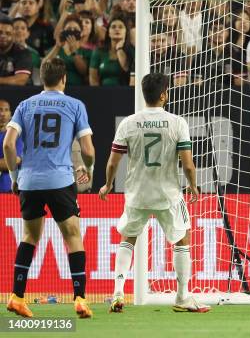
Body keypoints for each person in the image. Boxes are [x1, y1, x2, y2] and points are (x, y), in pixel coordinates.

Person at [98, 72, 210, 314]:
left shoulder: (128, 123)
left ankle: (118, 291)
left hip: (137, 194)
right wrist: (192, 185)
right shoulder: (177, 122)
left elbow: (112, 162)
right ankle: (182, 297)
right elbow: (188, 164)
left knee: (128, 239)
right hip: (167, 195)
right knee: (182, 239)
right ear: (163, 95)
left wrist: (107, 184)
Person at [3, 58, 95, 318]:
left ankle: (16, 296)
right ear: (64, 79)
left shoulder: (25, 105)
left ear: (41, 78)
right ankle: (79, 298)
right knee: (73, 235)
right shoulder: (75, 105)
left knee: (30, 236)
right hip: (60, 180)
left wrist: (14, 176)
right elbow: (87, 150)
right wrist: (89, 169)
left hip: (30, 181)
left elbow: (9, 145)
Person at [89, 17, 134, 86]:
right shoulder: (98, 52)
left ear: (126, 32)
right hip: (102, 93)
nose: (117, 29)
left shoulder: (132, 51)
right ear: (108, 33)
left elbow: (126, 68)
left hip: (125, 92)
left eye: (120, 27)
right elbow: (93, 78)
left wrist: (119, 49)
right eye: (113, 27)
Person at [0, 18, 33, 86]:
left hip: (17, 94)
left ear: (13, 36)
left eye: (8, 33)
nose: (3, 36)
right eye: (0, 32)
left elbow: (20, 80)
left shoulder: (23, 53)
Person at [0, 100, 23, 193]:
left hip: (8, 189)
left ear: (10, 114)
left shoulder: (16, 135)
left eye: (6, 110)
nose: (3, 113)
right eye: (0, 110)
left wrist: (8, 162)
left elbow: (15, 160)